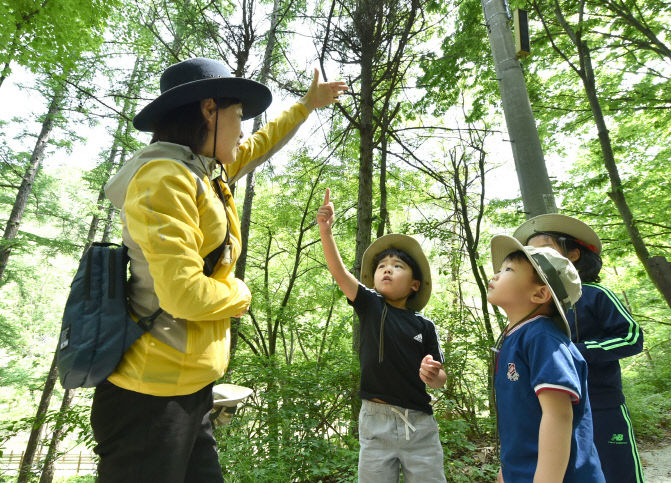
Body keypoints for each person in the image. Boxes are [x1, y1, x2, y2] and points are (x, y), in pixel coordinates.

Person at [91, 57, 347, 483]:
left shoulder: (206, 174)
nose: (244, 128)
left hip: (190, 392)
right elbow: (183, 295)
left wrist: (306, 105)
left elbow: (261, 143)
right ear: (209, 109)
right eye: (238, 115)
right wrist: (241, 296)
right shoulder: (164, 177)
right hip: (148, 399)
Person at [317, 188, 447, 483]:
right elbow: (339, 273)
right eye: (381, 266)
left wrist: (433, 374)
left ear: (415, 284)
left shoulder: (424, 325)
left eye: (397, 266)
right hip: (375, 420)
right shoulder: (371, 305)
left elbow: (441, 381)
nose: (387, 270)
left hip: (419, 424)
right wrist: (327, 233)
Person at [514, 214, 645, 483]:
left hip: (602, 402)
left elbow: (632, 338)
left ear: (573, 255)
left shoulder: (596, 294)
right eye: (531, 254)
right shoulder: (538, 308)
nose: (537, 257)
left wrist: (577, 352)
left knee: (618, 469)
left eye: (545, 249)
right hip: (553, 410)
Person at [488, 235, 605, 483]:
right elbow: (519, 417)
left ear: (540, 294)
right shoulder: (515, 337)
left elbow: (558, 415)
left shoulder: (543, 339)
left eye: (508, 269)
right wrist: (506, 471)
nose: (496, 275)